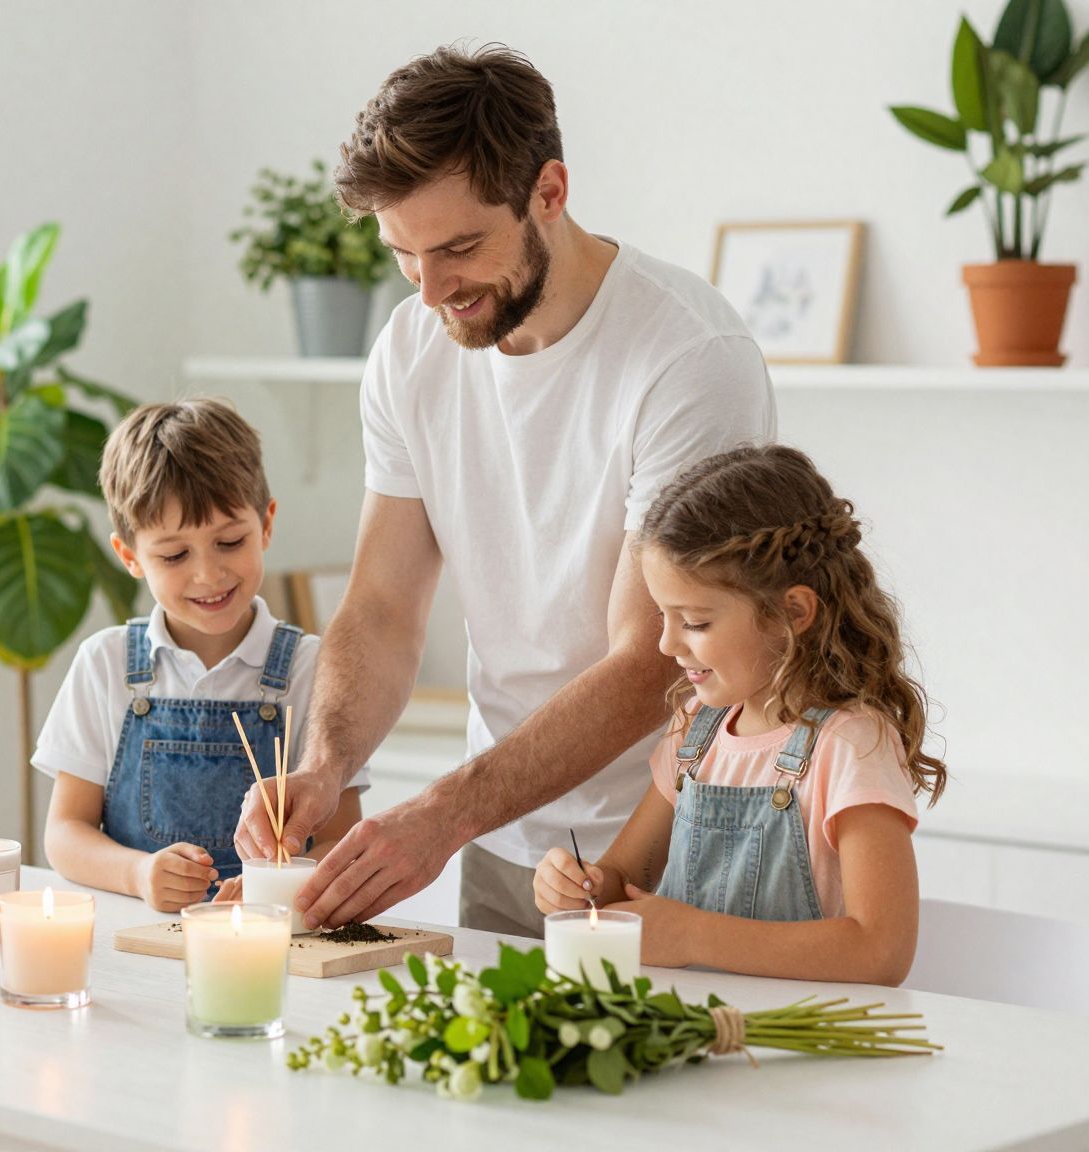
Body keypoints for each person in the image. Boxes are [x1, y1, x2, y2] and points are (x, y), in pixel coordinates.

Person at [235, 43, 774, 936]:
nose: (434, 291)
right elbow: (381, 607)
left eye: (459, 248)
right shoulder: (410, 352)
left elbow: (652, 662)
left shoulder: (686, 359)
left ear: (549, 193)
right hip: (505, 843)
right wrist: (326, 764)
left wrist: (444, 812)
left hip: (680, 836)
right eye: (403, 255)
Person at [534, 445, 945, 985]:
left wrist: (690, 934)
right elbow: (622, 878)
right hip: (691, 1032)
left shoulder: (849, 746)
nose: (665, 644)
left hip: (803, 1047)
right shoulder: (694, 735)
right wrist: (579, 885)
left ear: (792, 613)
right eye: (663, 616)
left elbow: (880, 951)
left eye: (696, 622)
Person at [37, 399, 365, 912]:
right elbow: (64, 833)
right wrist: (139, 873)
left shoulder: (312, 668)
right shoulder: (105, 664)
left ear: (266, 525)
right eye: (174, 555)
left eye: (231, 541)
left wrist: (275, 890)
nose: (209, 575)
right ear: (129, 557)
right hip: (135, 946)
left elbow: (340, 839)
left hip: (269, 944)